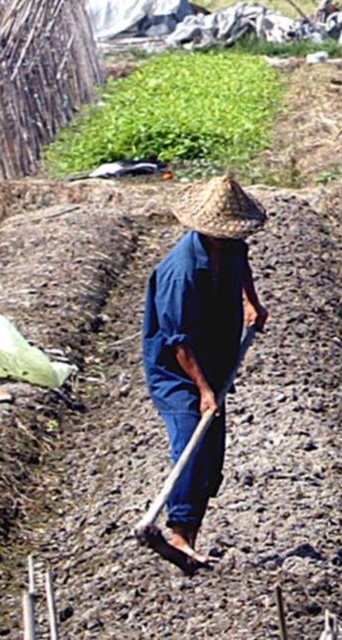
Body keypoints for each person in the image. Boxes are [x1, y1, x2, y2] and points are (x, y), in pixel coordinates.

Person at [142, 173, 268, 568]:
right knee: (189, 440)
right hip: (178, 370)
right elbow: (178, 341)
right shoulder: (180, 272)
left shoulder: (231, 248)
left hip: (216, 355)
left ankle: (188, 539)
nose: (234, 238)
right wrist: (204, 391)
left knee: (211, 455)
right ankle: (178, 533)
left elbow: (242, 261)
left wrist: (252, 303)